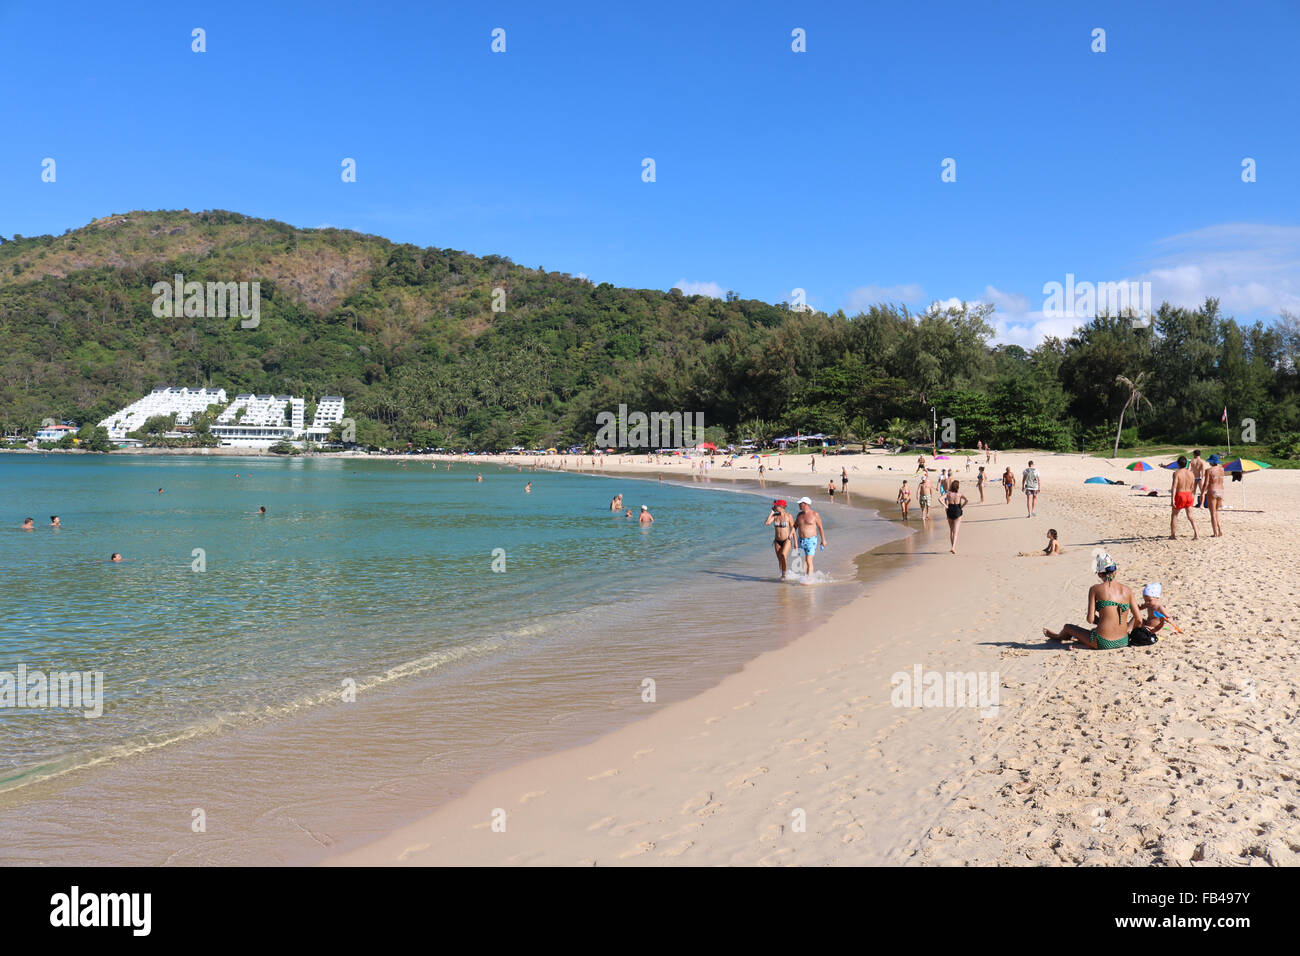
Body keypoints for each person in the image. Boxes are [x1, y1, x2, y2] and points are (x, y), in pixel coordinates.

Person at [1043, 552, 1139, 649]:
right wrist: (1128, 628)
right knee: (1093, 630)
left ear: (1099, 574)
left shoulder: (1095, 589)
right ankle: (1076, 641)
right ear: (1115, 572)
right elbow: (1138, 619)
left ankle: (1057, 636)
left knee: (1068, 627)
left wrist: (1103, 621)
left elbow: (1090, 619)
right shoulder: (1128, 590)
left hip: (1103, 642)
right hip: (1123, 640)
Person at [793, 496, 827, 576]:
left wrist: (823, 540)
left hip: (811, 540)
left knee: (809, 559)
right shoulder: (799, 515)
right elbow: (795, 526)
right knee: (804, 560)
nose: (799, 505)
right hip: (801, 540)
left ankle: (809, 579)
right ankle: (805, 577)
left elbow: (820, 527)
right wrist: (792, 535)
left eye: (800, 504)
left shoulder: (815, 515)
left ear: (805, 504)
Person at [764, 499, 795, 578]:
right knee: (780, 560)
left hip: (786, 540)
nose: (774, 506)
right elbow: (767, 523)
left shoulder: (789, 516)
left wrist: (796, 543)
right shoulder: (775, 516)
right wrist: (772, 512)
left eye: (776, 505)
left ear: (781, 507)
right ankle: (782, 574)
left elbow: (793, 528)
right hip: (777, 541)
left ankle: (784, 575)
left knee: (783, 555)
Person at [1170, 456, 1198, 540]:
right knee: (1190, 516)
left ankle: (1173, 535)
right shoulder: (1191, 473)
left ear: (1178, 464)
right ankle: (1196, 534)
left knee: (1174, 515)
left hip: (1180, 494)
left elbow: (1174, 487)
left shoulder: (1177, 473)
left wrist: (1172, 499)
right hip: (1189, 494)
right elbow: (1193, 487)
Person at [941, 479, 968, 553]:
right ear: (957, 487)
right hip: (957, 510)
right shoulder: (959, 494)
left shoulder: (948, 493)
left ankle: (952, 547)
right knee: (956, 532)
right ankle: (953, 547)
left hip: (950, 510)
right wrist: (962, 506)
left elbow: (940, 499)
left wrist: (945, 506)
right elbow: (967, 500)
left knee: (951, 531)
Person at [1204, 453, 1225, 537]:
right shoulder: (1222, 469)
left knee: (1212, 513)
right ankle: (1220, 529)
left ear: (1211, 462)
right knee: (1216, 512)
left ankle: (1215, 532)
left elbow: (1206, 483)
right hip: (1221, 490)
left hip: (1212, 490)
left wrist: (1202, 492)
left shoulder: (1209, 470)